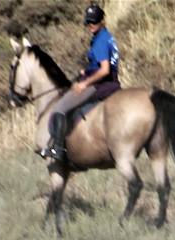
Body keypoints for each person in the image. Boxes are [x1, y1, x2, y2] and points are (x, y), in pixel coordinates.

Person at [39, 3, 120, 162]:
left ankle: (58, 149)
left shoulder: (100, 41)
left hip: (100, 84)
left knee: (59, 109)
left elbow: (104, 70)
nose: (91, 25)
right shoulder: (107, 36)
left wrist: (85, 83)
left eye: (94, 22)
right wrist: (87, 70)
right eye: (89, 22)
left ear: (102, 21)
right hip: (110, 81)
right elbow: (102, 65)